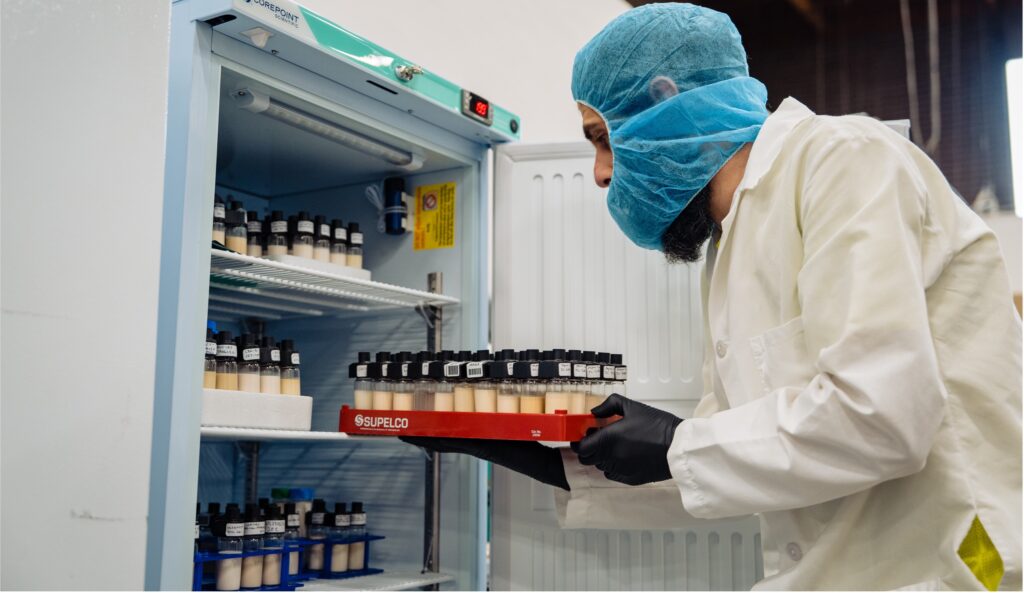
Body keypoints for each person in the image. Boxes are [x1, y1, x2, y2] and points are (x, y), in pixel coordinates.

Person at [406, 3, 1022, 589]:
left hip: (954, 567)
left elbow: (882, 415)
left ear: (666, 101)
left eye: (601, 137)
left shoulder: (844, 161)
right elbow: (729, 458)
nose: (598, 172)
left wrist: (675, 442)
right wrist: (515, 447)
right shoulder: (731, 244)